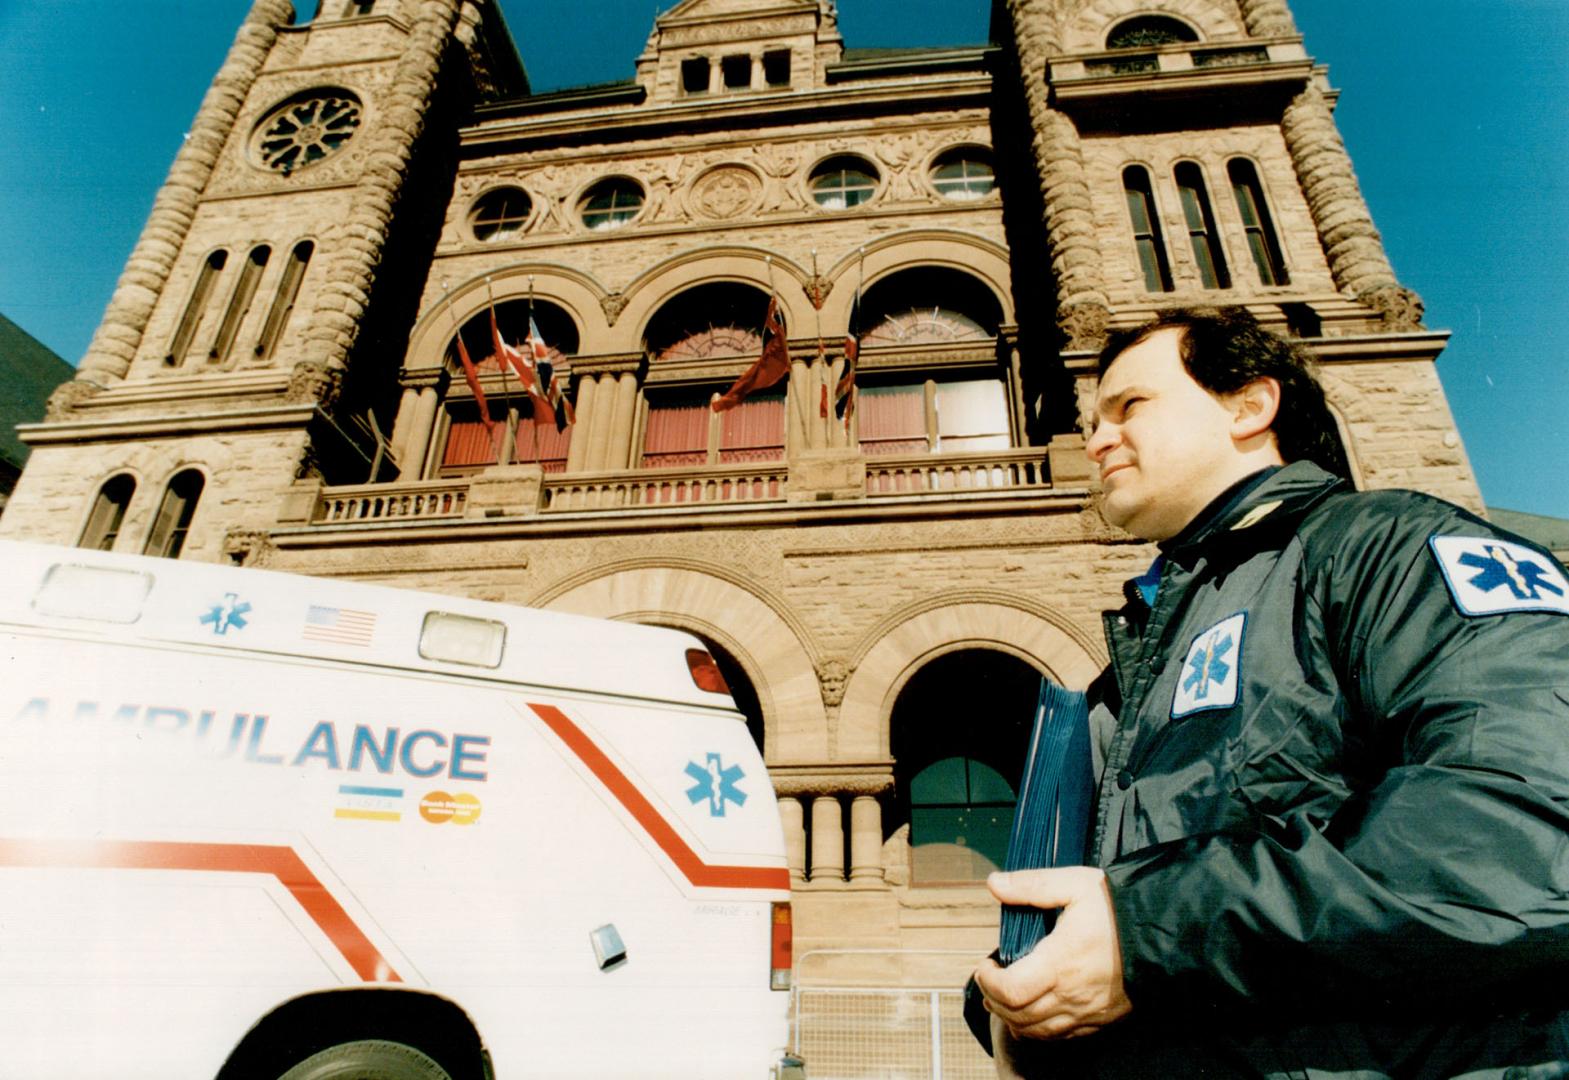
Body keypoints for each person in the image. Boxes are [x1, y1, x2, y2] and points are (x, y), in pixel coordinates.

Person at [970, 307, 1569, 1078]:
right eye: (1094, 420)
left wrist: (1148, 932)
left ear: (1249, 407)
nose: (1094, 440)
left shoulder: (1387, 549)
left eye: (1129, 407)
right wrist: (1021, 995)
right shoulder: (1136, 662)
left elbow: (1524, 830)